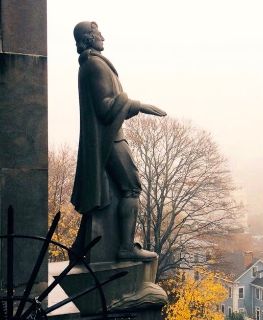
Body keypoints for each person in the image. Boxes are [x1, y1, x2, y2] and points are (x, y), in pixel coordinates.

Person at [70, 21, 166, 261]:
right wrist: (139, 105)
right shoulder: (94, 65)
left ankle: (86, 248)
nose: (102, 36)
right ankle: (125, 248)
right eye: (96, 33)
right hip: (110, 139)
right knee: (132, 188)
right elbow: (105, 108)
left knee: (122, 190)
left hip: (108, 138)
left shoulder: (91, 64)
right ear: (88, 38)